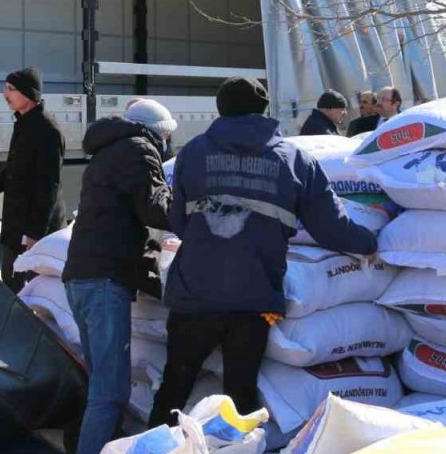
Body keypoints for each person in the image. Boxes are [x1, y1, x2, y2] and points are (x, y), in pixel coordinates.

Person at [148, 77, 378, 426]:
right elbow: (330, 227)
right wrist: (369, 243)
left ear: (220, 108)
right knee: (240, 395)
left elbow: (178, 221)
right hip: (255, 301)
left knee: (174, 389)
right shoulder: (295, 160)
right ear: (263, 109)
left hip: (193, 294)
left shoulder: (194, 152)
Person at [64, 99, 175, 454]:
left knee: (100, 384)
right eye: (167, 136)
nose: (168, 144)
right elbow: (155, 209)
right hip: (104, 280)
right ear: (157, 131)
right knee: (111, 391)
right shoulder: (139, 150)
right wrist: (190, 207)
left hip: (81, 276)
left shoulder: (107, 150)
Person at [0, 67, 67, 292]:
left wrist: (35, 235)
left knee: (29, 288)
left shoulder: (47, 129)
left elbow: (48, 186)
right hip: (18, 224)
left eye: (9, 89)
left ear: (27, 93)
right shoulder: (24, 123)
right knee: (12, 280)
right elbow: (18, 168)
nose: (4, 95)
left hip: (34, 228)